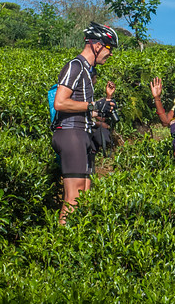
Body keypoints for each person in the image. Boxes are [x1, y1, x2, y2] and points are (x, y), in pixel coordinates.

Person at [51, 22, 118, 225]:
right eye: (109, 48)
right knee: (73, 196)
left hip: (82, 132)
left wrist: (101, 108)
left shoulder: (88, 72)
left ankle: (75, 243)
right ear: (97, 45)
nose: (111, 54)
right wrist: (91, 106)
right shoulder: (76, 66)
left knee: (85, 194)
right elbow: (60, 102)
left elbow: (84, 107)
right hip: (71, 132)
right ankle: (60, 245)